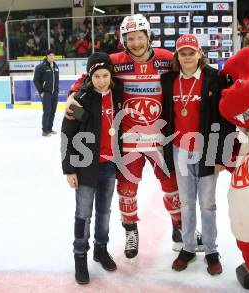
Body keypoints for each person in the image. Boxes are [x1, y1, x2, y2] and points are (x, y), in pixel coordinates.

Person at [64, 14, 188, 260]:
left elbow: (192, 68)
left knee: (172, 186)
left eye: (140, 37)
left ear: (148, 36)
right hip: (128, 140)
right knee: (127, 189)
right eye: (130, 39)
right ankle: (131, 231)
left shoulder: (165, 59)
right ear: (124, 40)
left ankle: (179, 227)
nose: (136, 43)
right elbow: (89, 74)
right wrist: (72, 92)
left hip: (159, 139)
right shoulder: (115, 61)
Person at [161, 34, 234, 275]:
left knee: (208, 204)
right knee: (186, 204)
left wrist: (221, 156)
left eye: (191, 52)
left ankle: (211, 250)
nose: (187, 57)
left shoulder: (214, 78)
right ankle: (189, 247)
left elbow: (225, 120)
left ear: (200, 54)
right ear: (177, 56)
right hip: (180, 150)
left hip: (206, 151)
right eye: (183, 53)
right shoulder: (169, 80)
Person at [61, 52, 123, 285]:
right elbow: (67, 134)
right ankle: (80, 256)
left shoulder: (118, 94)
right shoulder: (81, 99)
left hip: (109, 166)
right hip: (86, 168)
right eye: (96, 76)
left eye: (105, 75)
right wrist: (69, 169)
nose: (101, 80)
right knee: (83, 215)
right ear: (90, 76)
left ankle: (100, 248)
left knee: (104, 213)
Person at [33, 49, 59, 137]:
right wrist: (41, 92)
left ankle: (50, 129)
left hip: (54, 93)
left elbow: (57, 80)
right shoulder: (41, 66)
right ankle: (45, 131)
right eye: (50, 55)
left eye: (53, 55)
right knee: (47, 111)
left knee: (53, 112)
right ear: (47, 56)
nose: (52, 56)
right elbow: (36, 80)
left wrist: (57, 90)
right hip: (46, 93)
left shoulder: (56, 66)